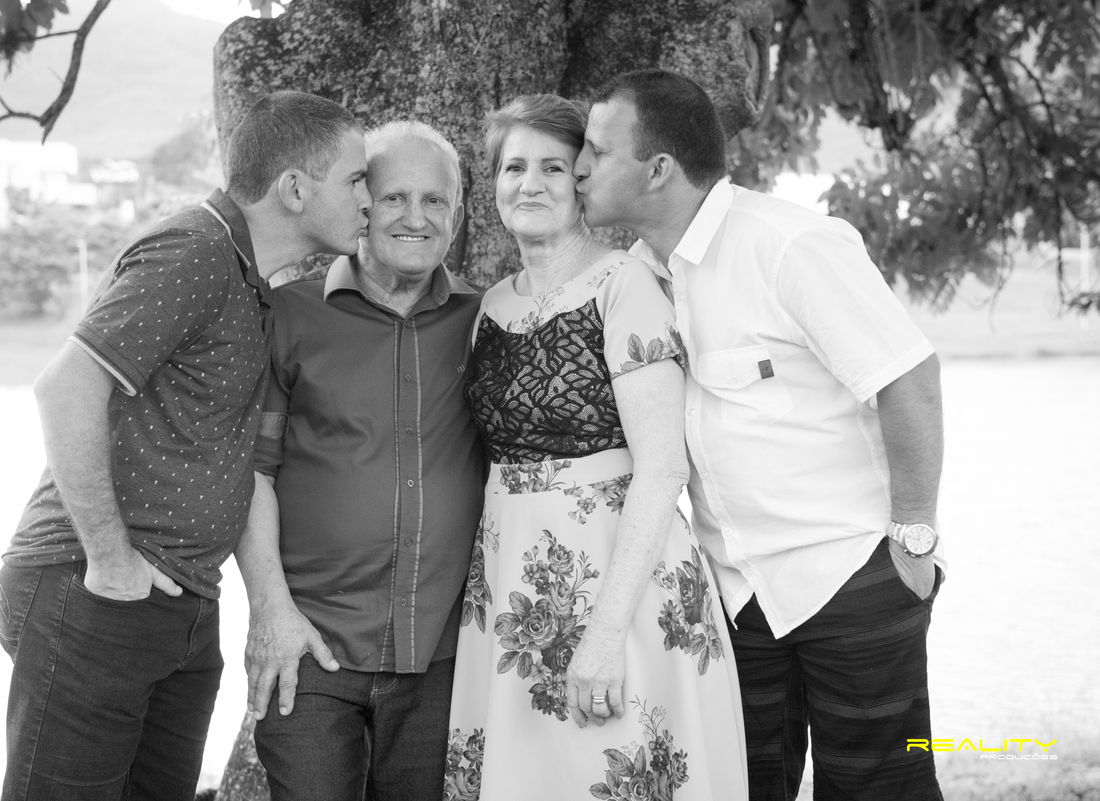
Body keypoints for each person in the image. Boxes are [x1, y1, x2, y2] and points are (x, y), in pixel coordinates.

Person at [574, 68, 946, 800]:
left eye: (596, 149)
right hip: (736, 599)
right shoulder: (635, 278)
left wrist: (913, 538)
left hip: (850, 577)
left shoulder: (789, 244)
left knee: (878, 790)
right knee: (741, 787)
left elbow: (910, 379)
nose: (579, 166)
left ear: (658, 169)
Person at [0, 90, 371, 801]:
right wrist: (111, 563)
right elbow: (65, 388)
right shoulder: (196, 250)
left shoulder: (249, 281)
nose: (369, 200)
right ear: (295, 189)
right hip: (96, 589)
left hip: (182, 601)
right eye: (356, 180)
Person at [444, 94, 748, 801]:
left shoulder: (625, 284)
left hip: (622, 588)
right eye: (513, 167)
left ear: (581, 179)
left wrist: (606, 632)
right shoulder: (490, 307)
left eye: (553, 167)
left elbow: (663, 466)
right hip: (512, 592)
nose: (531, 183)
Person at [236, 120, 486, 801]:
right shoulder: (287, 315)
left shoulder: (485, 321)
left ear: (458, 214)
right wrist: (270, 610)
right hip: (309, 646)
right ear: (361, 204)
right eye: (395, 196)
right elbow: (253, 472)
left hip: (442, 656)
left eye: (434, 200)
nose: (415, 217)